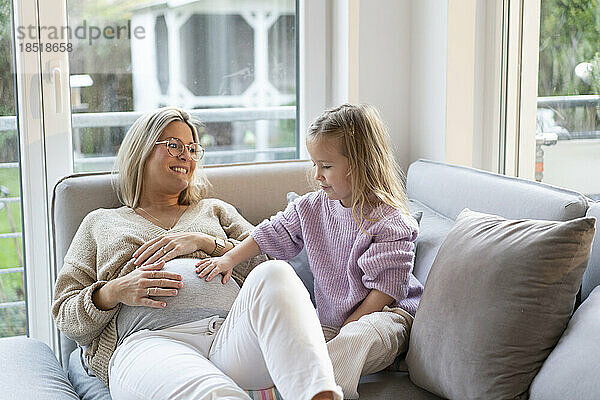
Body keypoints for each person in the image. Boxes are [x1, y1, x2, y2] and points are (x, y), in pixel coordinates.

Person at [52, 107, 342, 400]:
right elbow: (65, 314)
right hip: (151, 342)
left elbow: (266, 266)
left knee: (277, 273)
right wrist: (115, 290)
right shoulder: (101, 222)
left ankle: (318, 393)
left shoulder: (213, 210)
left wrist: (206, 243)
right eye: (174, 146)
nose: (186, 156)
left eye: (192, 149)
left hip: (232, 338)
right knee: (213, 394)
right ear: (141, 151)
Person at [196, 103, 424, 399]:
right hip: (330, 320)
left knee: (353, 340)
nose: (317, 175)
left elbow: (386, 290)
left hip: (385, 317)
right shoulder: (311, 207)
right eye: (314, 164)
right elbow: (271, 232)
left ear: (360, 163)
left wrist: (345, 329)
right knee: (291, 350)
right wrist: (229, 258)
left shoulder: (390, 222)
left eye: (326, 166)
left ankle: (309, 392)